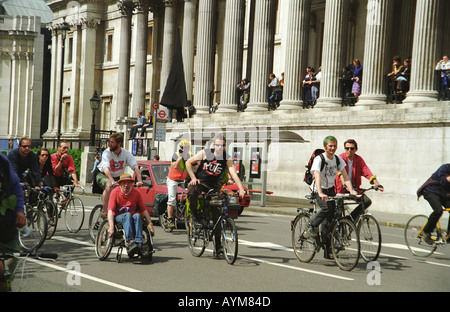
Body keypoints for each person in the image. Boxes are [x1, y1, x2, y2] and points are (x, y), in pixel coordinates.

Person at [185, 134, 246, 257]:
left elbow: (233, 173)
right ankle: (197, 217)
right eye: (217, 145)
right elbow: (188, 163)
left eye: (222, 145)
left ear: (225, 146)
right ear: (213, 145)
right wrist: (193, 177)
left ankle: (218, 247)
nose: (219, 147)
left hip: (215, 185)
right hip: (200, 182)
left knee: (218, 214)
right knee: (191, 192)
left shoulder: (227, 158)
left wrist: (241, 189)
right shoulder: (205, 153)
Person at [305, 136, 356, 259]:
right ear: (325, 147)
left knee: (332, 219)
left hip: (330, 190)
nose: (333, 148)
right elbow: (317, 175)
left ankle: (328, 251)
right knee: (326, 209)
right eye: (330, 146)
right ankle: (310, 225)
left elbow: (346, 176)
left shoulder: (338, 160)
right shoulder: (319, 159)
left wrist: (352, 190)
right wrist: (320, 192)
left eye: (334, 146)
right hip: (318, 189)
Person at [335, 139, 384, 221]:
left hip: (354, 189)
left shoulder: (358, 159)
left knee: (366, 201)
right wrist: (345, 185)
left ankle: (351, 219)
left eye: (352, 148)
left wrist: (377, 184)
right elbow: (340, 174)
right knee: (338, 212)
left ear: (356, 149)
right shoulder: (340, 158)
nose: (349, 150)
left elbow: (366, 171)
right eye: (347, 148)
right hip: (341, 189)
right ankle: (336, 228)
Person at [107, 174, 155, 256]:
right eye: (124, 183)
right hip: (119, 217)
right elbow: (110, 211)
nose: (126, 185)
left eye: (129, 183)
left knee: (137, 216)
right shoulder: (115, 192)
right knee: (128, 215)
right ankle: (130, 242)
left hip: (132, 216)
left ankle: (139, 242)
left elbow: (144, 210)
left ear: (132, 184)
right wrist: (111, 227)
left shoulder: (136, 193)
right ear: (120, 184)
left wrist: (150, 224)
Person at [96, 132, 143, 216]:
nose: (109, 144)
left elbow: (135, 167)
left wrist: (139, 180)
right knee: (109, 185)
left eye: (112, 142)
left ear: (119, 143)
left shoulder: (126, 153)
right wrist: (112, 181)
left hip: (118, 176)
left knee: (128, 188)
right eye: (109, 142)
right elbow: (106, 168)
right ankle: (105, 210)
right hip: (103, 174)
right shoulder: (107, 153)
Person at [0, 154, 26, 292]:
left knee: (13, 257)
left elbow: (16, 186)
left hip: (6, 225)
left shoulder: (3, 162)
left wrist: (20, 211)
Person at [417, 164, 450, 245]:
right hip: (431, 191)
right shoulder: (445, 168)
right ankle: (426, 231)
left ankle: (449, 235)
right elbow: (443, 182)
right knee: (438, 210)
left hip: (443, 194)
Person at [166, 140, 192, 229]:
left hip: (183, 180)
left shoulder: (190, 156)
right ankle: (170, 219)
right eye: (182, 148)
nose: (184, 150)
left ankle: (188, 215)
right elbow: (176, 166)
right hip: (173, 179)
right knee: (172, 199)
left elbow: (196, 167)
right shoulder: (176, 155)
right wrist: (180, 157)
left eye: (186, 148)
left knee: (190, 194)